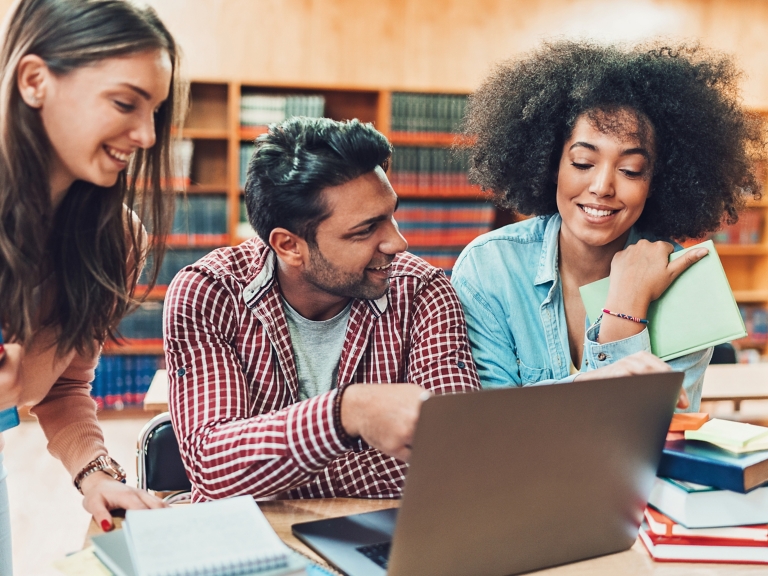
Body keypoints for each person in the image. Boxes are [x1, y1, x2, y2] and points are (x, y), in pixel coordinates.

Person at [451, 42, 765, 411]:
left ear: (656, 182)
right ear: (552, 164)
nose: (602, 187)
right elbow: (489, 426)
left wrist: (623, 312)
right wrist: (623, 316)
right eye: (583, 163)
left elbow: (645, 441)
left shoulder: (687, 285)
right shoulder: (490, 268)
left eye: (630, 170)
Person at [0, 0, 185, 572]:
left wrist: (96, 475)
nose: (148, 135)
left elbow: (61, 386)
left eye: (154, 111)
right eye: (126, 103)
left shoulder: (117, 239)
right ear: (35, 80)